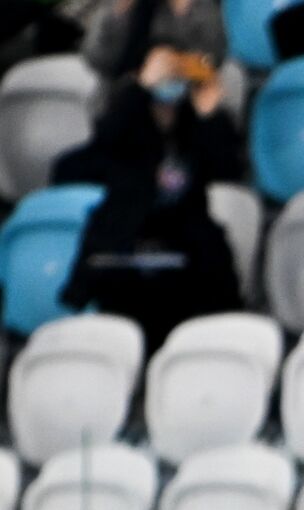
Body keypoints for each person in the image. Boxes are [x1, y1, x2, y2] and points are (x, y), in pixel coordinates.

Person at [55, 44, 241, 348]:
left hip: (186, 248)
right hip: (125, 245)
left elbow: (227, 169)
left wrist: (209, 113)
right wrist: (142, 87)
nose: (167, 100)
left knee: (208, 252)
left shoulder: (194, 130)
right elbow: (104, 142)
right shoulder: (127, 130)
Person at [81, 0, 224, 80]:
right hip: (127, 106)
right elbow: (95, 58)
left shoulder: (202, 9)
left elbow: (212, 62)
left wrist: (177, 64)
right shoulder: (119, 7)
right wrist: (120, 11)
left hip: (185, 105)